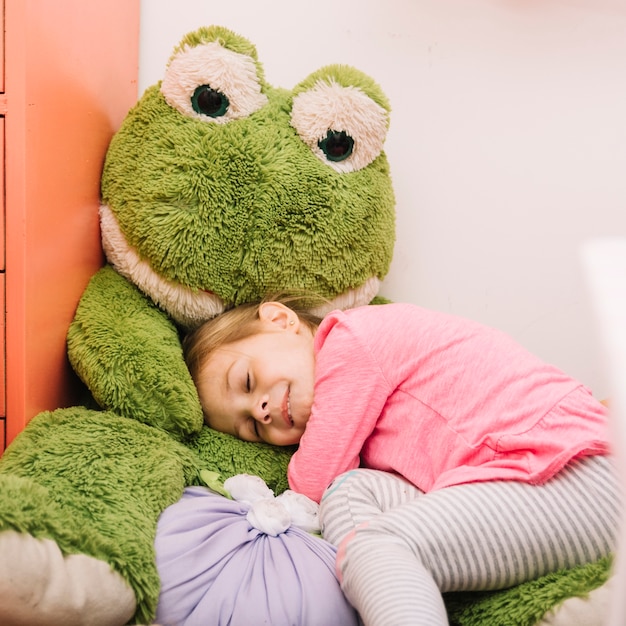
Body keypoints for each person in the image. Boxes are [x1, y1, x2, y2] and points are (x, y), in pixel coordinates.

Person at [183, 297, 619, 626]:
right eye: (251, 428)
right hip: (509, 474)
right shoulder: (366, 408)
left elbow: (310, 482)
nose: (259, 409)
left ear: (280, 320)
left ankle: (382, 569)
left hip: (569, 474)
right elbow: (329, 488)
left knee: (374, 543)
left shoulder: (351, 342)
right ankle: (389, 588)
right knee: (348, 491)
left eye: (247, 380)